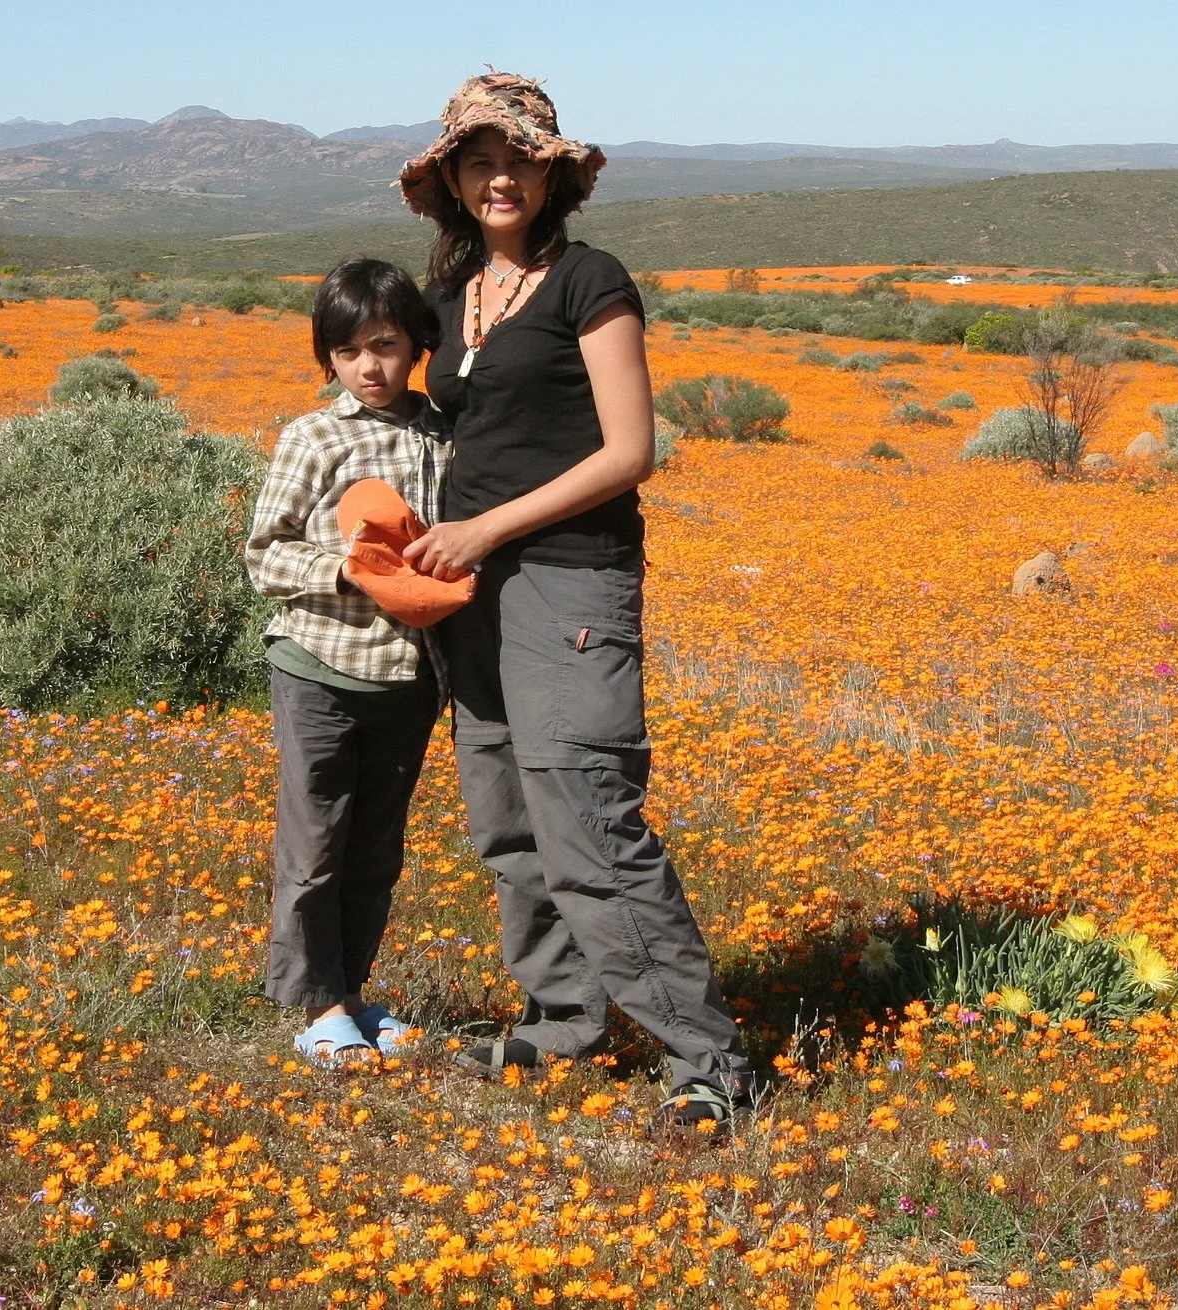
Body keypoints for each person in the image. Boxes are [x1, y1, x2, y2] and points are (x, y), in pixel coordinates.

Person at [396, 72, 755, 1124]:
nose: (498, 175)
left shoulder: (588, 280)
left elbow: (629, 451)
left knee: (591, 821)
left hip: (568, 582)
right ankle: (562, 1026)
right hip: (472, 593)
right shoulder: (452, 294)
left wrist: (485, 528)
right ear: (453, 180)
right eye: (477, 160)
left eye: (518, 159)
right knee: (509, 823)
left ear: (553, 174)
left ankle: (709, 1064)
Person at [244, 258, 453, 1065]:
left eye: (387, 345)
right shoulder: (313, 436)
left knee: (376, 849)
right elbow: (265, 554)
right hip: (320, 667)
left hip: (409, 676)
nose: (371, 367)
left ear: (416, 346)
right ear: (327, 357)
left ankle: (353, 995)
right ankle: (317, 1003)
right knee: (316, 841)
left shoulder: (440, 430)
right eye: (350, 351)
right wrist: (346, 569)